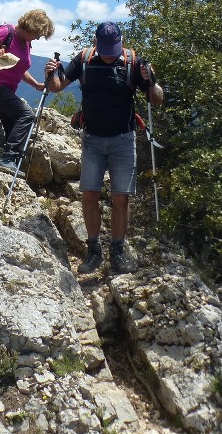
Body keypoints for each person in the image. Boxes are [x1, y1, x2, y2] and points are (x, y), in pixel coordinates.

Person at [46, 22, 163, 274]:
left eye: (114, 48)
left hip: (123, 138)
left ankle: (118, 251)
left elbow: (156, 99)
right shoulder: (84, 59)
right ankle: (94, 250)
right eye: (106, 48)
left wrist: (151, 82)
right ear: (96, 42)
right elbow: (56, 88)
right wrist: (51, 74)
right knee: (89, 194)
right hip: (92, 139)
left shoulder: (133, 62)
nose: (110, 54)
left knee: (121, 198)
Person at [0, 10, 55, 176]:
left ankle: (8, 165)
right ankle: (8, 159)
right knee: (27, 116)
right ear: (31, 27)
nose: (38, 38)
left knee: (14, 125)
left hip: (7, 89)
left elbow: (19, 68)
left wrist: (36, 84)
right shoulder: (6, 32)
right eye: (38, 34)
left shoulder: (26, 43)